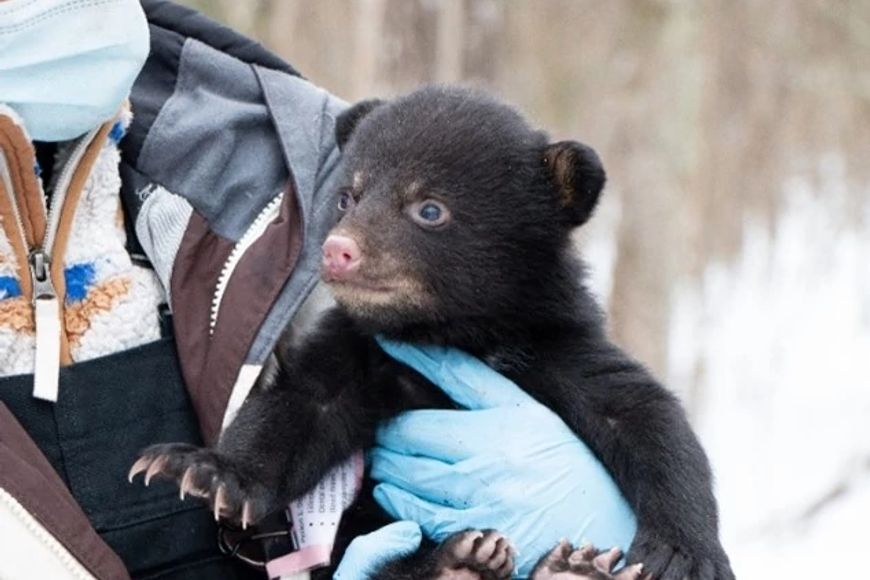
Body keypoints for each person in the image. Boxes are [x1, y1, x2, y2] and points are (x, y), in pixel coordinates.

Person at [0, 1, 635, 578]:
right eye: (350, 203)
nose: (345, 236)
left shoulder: (287, 149)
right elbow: (317, 401)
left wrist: (632, 531)